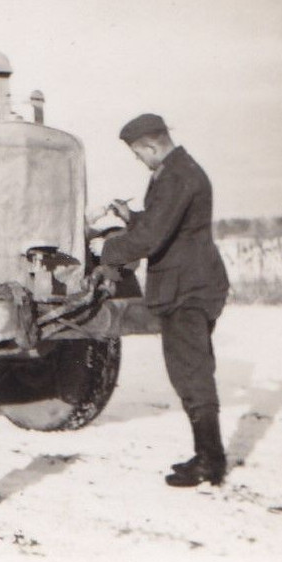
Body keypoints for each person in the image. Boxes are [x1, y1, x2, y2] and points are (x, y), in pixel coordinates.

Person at [96, 114, 230, 487]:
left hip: (187, 288)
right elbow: (166, 226)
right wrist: (133, 217)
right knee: (191, 370)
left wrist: (104, 248)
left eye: (139, 154)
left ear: (150, 146)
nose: (140, 161)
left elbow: (152, 240)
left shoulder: (176, 176)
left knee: (191, 372)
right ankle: (208, 454)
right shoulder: (179, 170)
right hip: (189, 282)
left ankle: (210, 461)